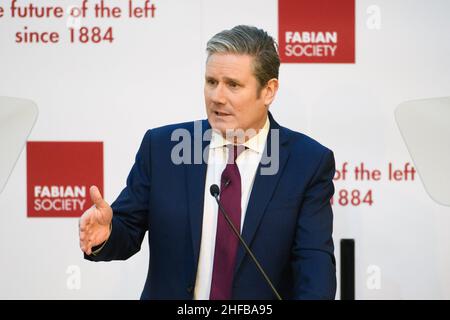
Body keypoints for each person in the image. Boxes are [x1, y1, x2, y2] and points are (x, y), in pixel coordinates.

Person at [79, 25, 336, 300]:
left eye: (233, 85)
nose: (217, 96)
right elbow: (127, 230)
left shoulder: (306, 162)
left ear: (269, 91)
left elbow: (314, 268)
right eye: (211, 82)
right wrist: (107, 234)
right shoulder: (164, 148)